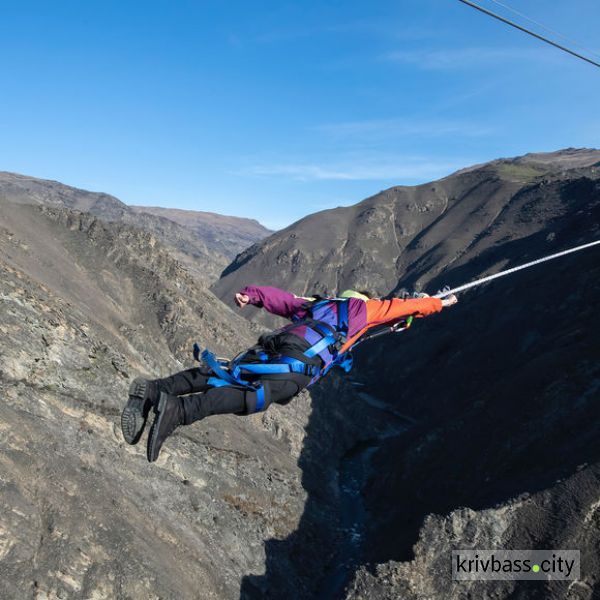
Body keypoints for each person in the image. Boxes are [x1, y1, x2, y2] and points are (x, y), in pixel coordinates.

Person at [121, 286, 458, 462]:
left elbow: (282, 300)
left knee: (226, 373)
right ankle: (178, 412)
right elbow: (407, 307)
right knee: (257, 396)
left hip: (278, 345)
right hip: (298, 362)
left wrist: (251, 294)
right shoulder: (364, 310)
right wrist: (438, 303)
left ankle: (152, 390)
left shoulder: (320, 303)